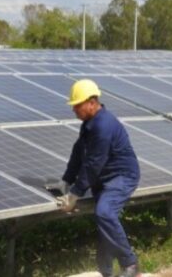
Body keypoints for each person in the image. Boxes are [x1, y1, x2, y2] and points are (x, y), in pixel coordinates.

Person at [55, 79, 141, 277]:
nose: (74, 109)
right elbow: (79, 151)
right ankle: (106, 273)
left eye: (77, 105)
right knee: (105, 227)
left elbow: (93, 164)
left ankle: (131, 266)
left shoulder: (103, 126)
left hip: (122, 176)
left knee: (105, 213)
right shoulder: (89, 124)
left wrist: (75, 194)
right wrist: (66, 179)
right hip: (103, 179)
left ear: (92, 102)